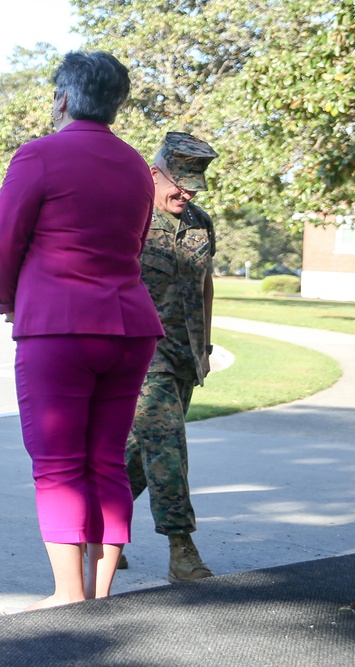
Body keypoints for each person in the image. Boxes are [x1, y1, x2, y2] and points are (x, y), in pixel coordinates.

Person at [0, 51, 165, 612]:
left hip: (60, 328)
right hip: (128, 326)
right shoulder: (138, 165)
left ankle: (68, 593)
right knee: (108, 459)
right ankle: (102, 593)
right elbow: (135, 242)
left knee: (59, 463)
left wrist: (4, 297)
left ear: (63, 99)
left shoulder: (39, 155)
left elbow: (5, 240)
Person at [120, 132, 219, 583]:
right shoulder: (130, 217)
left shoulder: (201, 223)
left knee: (143, 452)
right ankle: (182, 547)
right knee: (169, 446)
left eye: (195, 186)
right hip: (143, 355)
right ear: (154, 172)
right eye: (179, 184)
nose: (187, 193)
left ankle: (97, 530)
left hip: (185, 356)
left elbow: (205, 285)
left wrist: (206, 347)